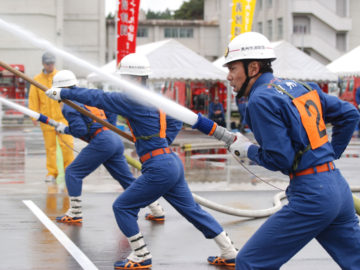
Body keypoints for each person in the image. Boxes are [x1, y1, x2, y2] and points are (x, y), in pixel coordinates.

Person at [46, 53, 238, 270]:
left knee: (122, 207)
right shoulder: (156, 98)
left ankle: (141, 255)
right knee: (193, 210)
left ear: (136, 79)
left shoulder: (133, 99)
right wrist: (161, 140)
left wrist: (63, 92)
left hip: (158, 166)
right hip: (169, 161)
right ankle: (229, 250)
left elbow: (98, 97)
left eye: (123, 79)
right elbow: (177, 118)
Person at [192, 31, 360, 269]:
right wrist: (330, 155)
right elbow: (350, 113)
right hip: (337, 187)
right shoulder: (301, 87)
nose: (228, 76)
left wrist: (248, 150)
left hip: (312, 195)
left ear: (252, 68)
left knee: (250, 263)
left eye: (232, 69)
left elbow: (281, 159)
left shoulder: (260, 99)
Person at [51, 70, 165, 223]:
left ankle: (75, 212)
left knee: (73, 172)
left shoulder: (69, 106)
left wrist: (65, 129)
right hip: (112, 138)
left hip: (102, 140)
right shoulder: (86, 99)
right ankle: (156, 209)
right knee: (126, 179)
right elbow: (110, 112)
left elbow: (80, 130)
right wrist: (107, 132)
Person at [28, 52, 74, 182]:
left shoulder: (60, 77)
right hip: (46, 120)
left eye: (52, 63)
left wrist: (72, 115)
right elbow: (33, 99)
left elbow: (70, 96)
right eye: (48, 64)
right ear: (43, 64)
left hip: (62, 119)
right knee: (50, 148)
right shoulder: (37, 80)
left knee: (67, 146)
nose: (50, 66)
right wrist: (34, 116)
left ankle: (69, 172)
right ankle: (52, 173)